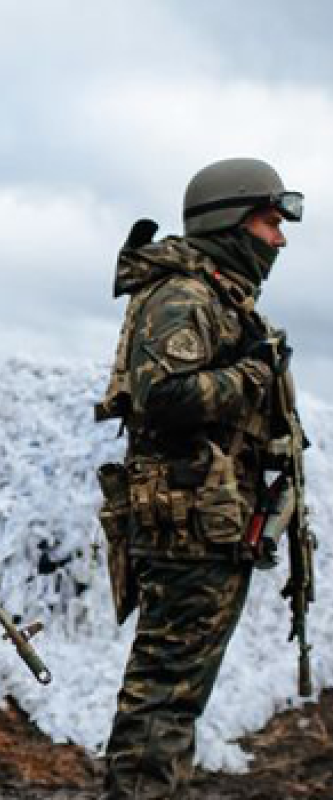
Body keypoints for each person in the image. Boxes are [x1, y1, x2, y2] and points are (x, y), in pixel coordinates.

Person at [95, 157, 304, 799]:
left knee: (174, 701)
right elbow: (163, 396)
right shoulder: (183, 295)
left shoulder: (220, 296)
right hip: (185, 532)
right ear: (232, 221)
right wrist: (251, 376)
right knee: (162, 700)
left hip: (210, 526)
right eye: (270, 223)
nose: (280, 239)